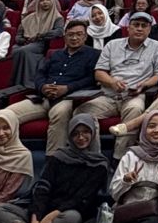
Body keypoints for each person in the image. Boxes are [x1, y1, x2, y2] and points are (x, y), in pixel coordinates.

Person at [0, 112, 105, 223]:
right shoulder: (59, 156)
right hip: (41, 211)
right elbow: (42, 189)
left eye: (85, 132)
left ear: (93, 133)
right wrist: (35, 220)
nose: (80, 137)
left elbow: (81, 199)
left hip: (63, 215)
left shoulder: (99, 164)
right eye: (75, 133)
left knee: (72, 219)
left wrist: (50, 217)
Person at [7, 19, 101, 156]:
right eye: (70, 34)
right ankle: (8, 154)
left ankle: (54, 158)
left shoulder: (94, 54)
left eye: (79, 34)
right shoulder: (55, 54)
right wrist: (43, 87)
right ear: (65, 37)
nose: (74, 38)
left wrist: (67, 88)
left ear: (85, 36)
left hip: (68, 98)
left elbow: (91, 79)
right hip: (43, 98)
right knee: (7, 114)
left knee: (60, 113)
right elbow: (39, 75)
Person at [82, 13, 158, 158]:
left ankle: (120, 157)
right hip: (109, 95)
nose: (139, 29)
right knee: (82, 113)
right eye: (136, 25)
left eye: (144, 26)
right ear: (128, 27)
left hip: (134, 95)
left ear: (149, 29)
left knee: (135, 109)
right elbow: (99, 73)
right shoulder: (112, 45)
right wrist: (112, 82)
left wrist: (144, 85)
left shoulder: (157, 47)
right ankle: (94, 156)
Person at [11, 0, 65, 88]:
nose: (44, 2)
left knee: (24, 51)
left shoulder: (57, 17)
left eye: (47, 0)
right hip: (26, 42)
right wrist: (23, 40)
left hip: (41, 43)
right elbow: (18, 35)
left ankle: (27, 83)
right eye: (42, 0)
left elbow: (59, 31)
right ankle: (14, 82)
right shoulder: (29, 18)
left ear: (52, 1)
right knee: (14, 49)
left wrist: (41, 35)